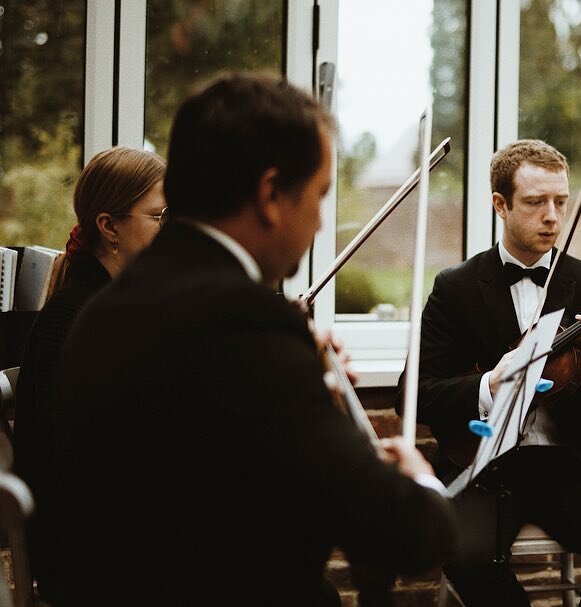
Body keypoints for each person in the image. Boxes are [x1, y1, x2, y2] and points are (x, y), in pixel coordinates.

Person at [50, 73, 455, 606]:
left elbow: (215, 477)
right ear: (270, 195)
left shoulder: (109, 308)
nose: (318, 223)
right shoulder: (245, 325)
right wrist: (419, 477)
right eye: (320, 195)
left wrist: (306, 392)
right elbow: (406, 534)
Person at [407, 139, 581, 606]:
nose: (552, 217)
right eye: (536, 202)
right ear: (500, 204)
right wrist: (487, 385)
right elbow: (415, 393)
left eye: (561, 201)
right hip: (482, 464)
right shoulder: (456, 287)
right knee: (468, 556)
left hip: (566, 464)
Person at [14, 146, 166, 600]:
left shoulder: (123, 307)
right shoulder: (79, 317)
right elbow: (97, 466)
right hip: (94, 556)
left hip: (122, 532)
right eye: (159, 217)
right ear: (108, 226)